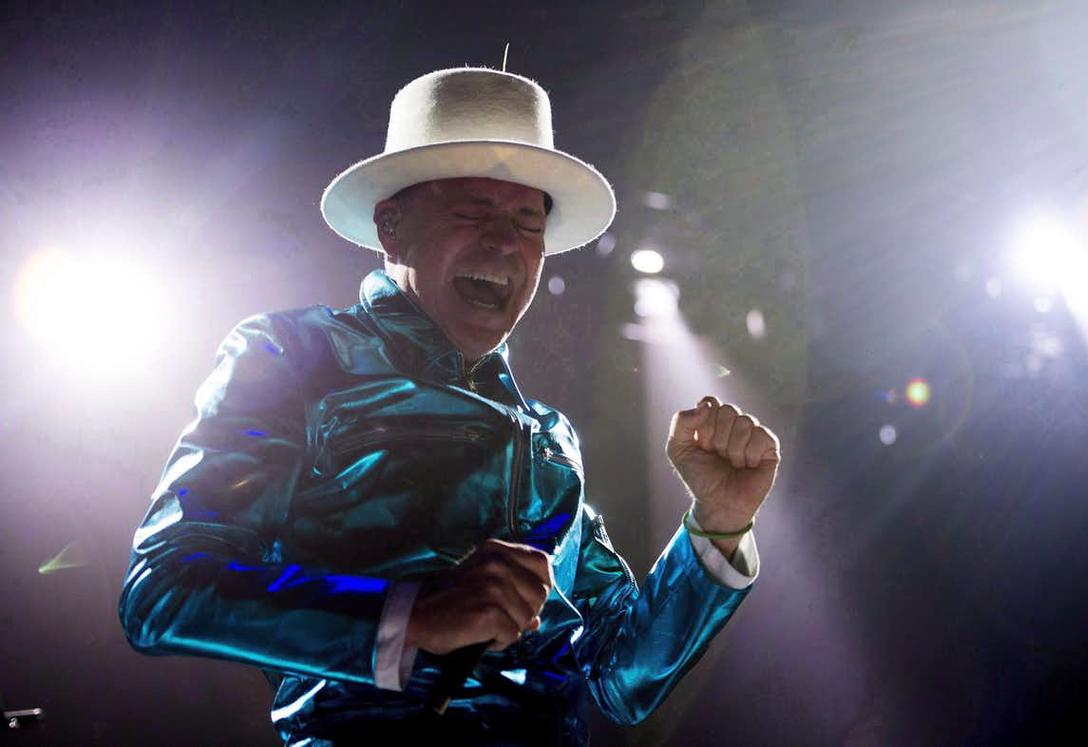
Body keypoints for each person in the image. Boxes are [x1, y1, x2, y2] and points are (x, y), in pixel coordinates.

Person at [119, 68, 781, 746]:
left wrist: (718, 529)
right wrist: (410, 617)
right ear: (392, 227)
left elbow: (618, 677)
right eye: (472, 211)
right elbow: (163, 589)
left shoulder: (552, 438)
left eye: (527, 221)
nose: (503, 243)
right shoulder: (295, 356)